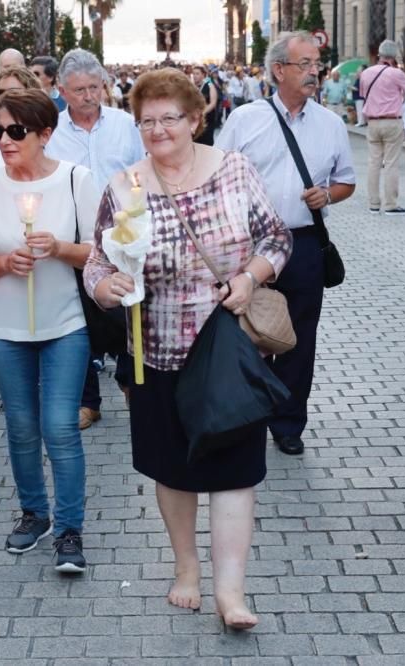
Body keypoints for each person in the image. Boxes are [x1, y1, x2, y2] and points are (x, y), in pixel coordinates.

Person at [84, 67, 292, 630]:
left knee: (234, 471)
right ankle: (186, 568)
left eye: (170, 117)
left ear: (196, 118)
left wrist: (250, 276)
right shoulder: (124, 186)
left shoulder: (233, 170)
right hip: (156, 350)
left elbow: (277, 236)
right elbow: (98, 262)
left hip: (229, 346)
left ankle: (231, 591)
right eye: (146, 120)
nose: (158, 129)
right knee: (171, 469)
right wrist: (105, 287)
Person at [0, 89, 99, 568]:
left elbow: (100, 252)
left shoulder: (74, 179)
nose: (4, 140)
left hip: (64, 322)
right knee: (21, 427)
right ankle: (33, 514)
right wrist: (5, 262)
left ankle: (69, 530)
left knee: (60, 426)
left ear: (45, 134)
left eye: (16, 131)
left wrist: (60, 248)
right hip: (2, 328)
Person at [217, 31, 356, 456]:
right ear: (279, 70)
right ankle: (247, 412)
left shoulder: (331, 125)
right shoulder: (245, 119)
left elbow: (347, 181)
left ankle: (288, 422)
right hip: (250, 246)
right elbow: (219, 175)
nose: (315, 71)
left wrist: (327, 195)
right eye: (306, 64)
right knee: (247, 332)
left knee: (298, 338)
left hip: (304, 244)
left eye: (318, 63)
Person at [52, 48, 145, 430]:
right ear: (61, 89)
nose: (88, 96)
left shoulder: (125, 124)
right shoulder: (51, 129)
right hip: (73, 236)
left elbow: (142, 172)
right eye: (78, 90)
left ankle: (128, 378)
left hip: (123, 233)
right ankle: (88, 401)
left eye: (94, 87)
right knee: (78, 317)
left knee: (127, 308)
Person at [360, 40, 405, 215]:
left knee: (373, 163)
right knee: (391, 163)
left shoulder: (366, 73)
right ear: (394, 56)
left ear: (379, 54)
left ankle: (373, 203)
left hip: (372, 122)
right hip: (391, 120)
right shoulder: (396, 73)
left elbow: (362, 94)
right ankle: (390, 204)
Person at [192, 64, 218, 145]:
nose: (195, 76)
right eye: (194, 74)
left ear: (203, 75)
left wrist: (203, 112)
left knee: (206, 141)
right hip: (195, 119)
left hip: (207, 119)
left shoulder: (209, 85)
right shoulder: (192, 86)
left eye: (197, 74)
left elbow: (213, 103)